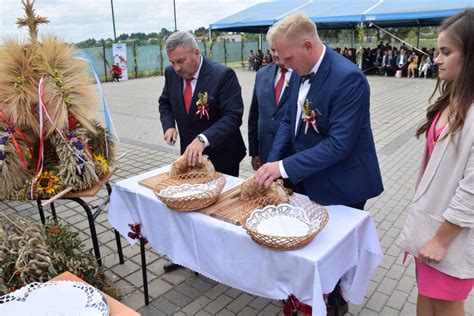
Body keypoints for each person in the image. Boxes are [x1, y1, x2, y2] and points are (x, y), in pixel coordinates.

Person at [254, 12, 383, 314]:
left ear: (308, 46)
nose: (282, 64)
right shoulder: (299, 70)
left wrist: (283, 168)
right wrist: (271, 166)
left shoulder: (349, 78)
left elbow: (339, 144)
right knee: (311, 246)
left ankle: (336, 300)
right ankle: (307, 294)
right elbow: (288, 121)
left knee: (335, 252)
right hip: (308, 177)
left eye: (287, 57)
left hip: (343, 184)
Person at [398, 9, 474, 316]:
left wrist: (442, 240)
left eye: (446, 52)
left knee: (445, 302)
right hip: (431, 228)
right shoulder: (453, 98)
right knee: (426, 295)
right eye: (437, 52)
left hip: (451, 235)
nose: (437, 59)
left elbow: (472, 188)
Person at [159, 31, 246, 177]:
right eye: (172, 62)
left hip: (222, 157)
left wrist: (203, 139)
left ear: (196, 52)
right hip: (190, 159)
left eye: (180, 61)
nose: (177, 68)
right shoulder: (171, 74)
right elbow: (165, 103)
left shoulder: (223, 75)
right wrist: (168, 126)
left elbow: (233, 116)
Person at [248, 37, 297, 171]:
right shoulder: (262, 74)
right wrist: (254, 152)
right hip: (266, 153)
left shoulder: (302, 74)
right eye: (273, 50)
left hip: (292, 156)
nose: (275, 54)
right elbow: (254, 115)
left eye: (279, 50)